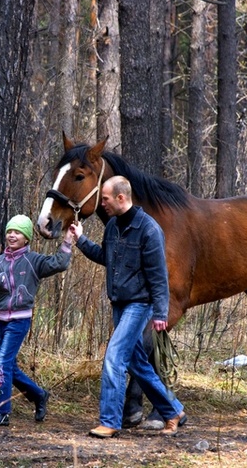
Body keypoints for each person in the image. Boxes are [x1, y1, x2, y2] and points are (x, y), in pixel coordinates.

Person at [69, 176, 185, 437]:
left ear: (121, 198)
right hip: (119, 304)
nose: (103, 204)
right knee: (138, 365)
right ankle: (173, 409)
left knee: (114, 358)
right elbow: (105, 257)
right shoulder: (112, 226)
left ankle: (109, 421)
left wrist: (160, 312)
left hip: (139, 304)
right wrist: (81, 240)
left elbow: (158, 275)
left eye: (106, 199)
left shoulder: (149, 229)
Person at [0, 214, 74, 427]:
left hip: (20, 321)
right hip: (0, 320)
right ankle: (39, 395)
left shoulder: (33, 261)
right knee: (9, 366)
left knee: (2, 363)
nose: (12, 236)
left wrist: (67, 241)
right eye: (9, 231)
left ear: (27, 238)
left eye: (18, 232)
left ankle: (1, 412)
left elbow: (60, 263)